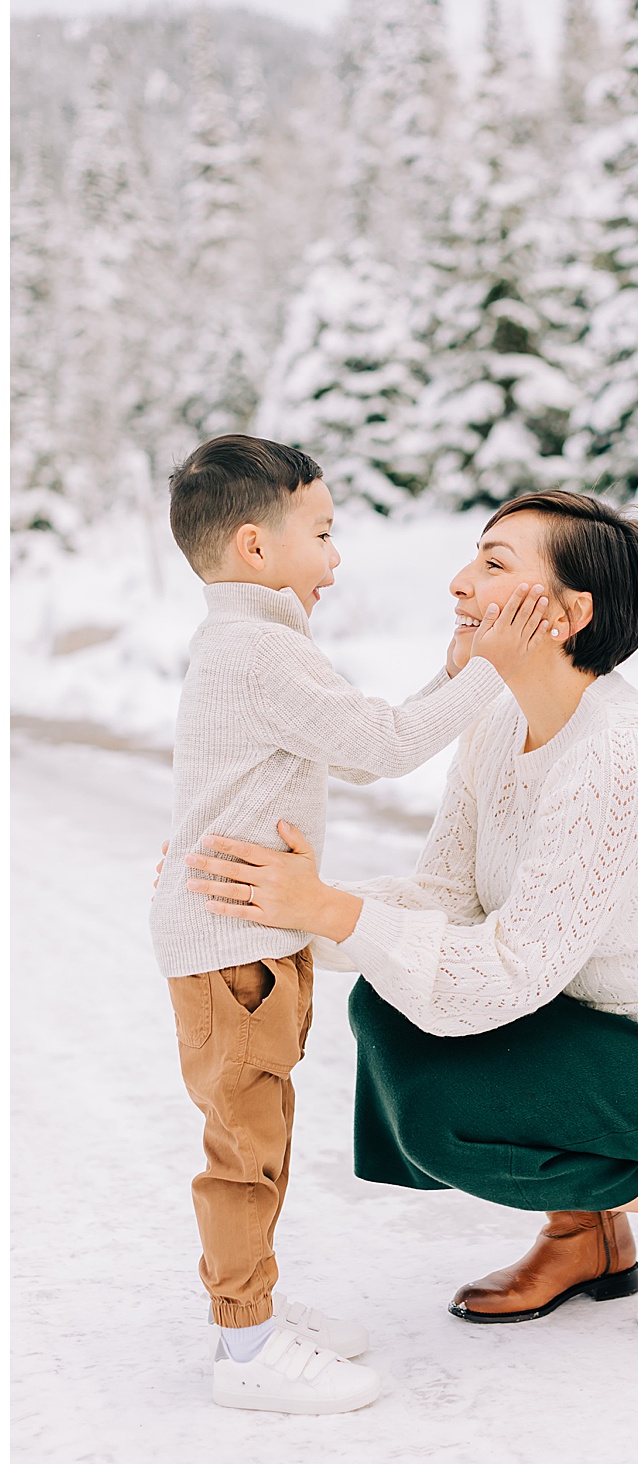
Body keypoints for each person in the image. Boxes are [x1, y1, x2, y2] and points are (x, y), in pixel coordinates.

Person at [185, 490, 638, 1339]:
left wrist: (332, 911)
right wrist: (279, 903)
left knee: (449, 1105)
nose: (460, 583)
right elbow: (446, 904)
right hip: (623, 1028)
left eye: (493, 565)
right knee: (392, 1003)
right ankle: (587, 1235)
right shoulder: (499, 726)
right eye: (474, 556)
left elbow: (504, 976)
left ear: (566, 614)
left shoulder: (619, 756)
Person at [152, 435, 552, 1415]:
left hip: (248, 939)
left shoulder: (254, 643)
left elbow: (364, 736)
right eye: (323, 534)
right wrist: (490, 669)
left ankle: (253, 1310)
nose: (336, 558)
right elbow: (382, 747)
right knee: (245, 1150)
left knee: (264, 1134)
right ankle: (244, 1348)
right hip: (233, 947)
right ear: (255, 546)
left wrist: (451, 671)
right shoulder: (257, 649)